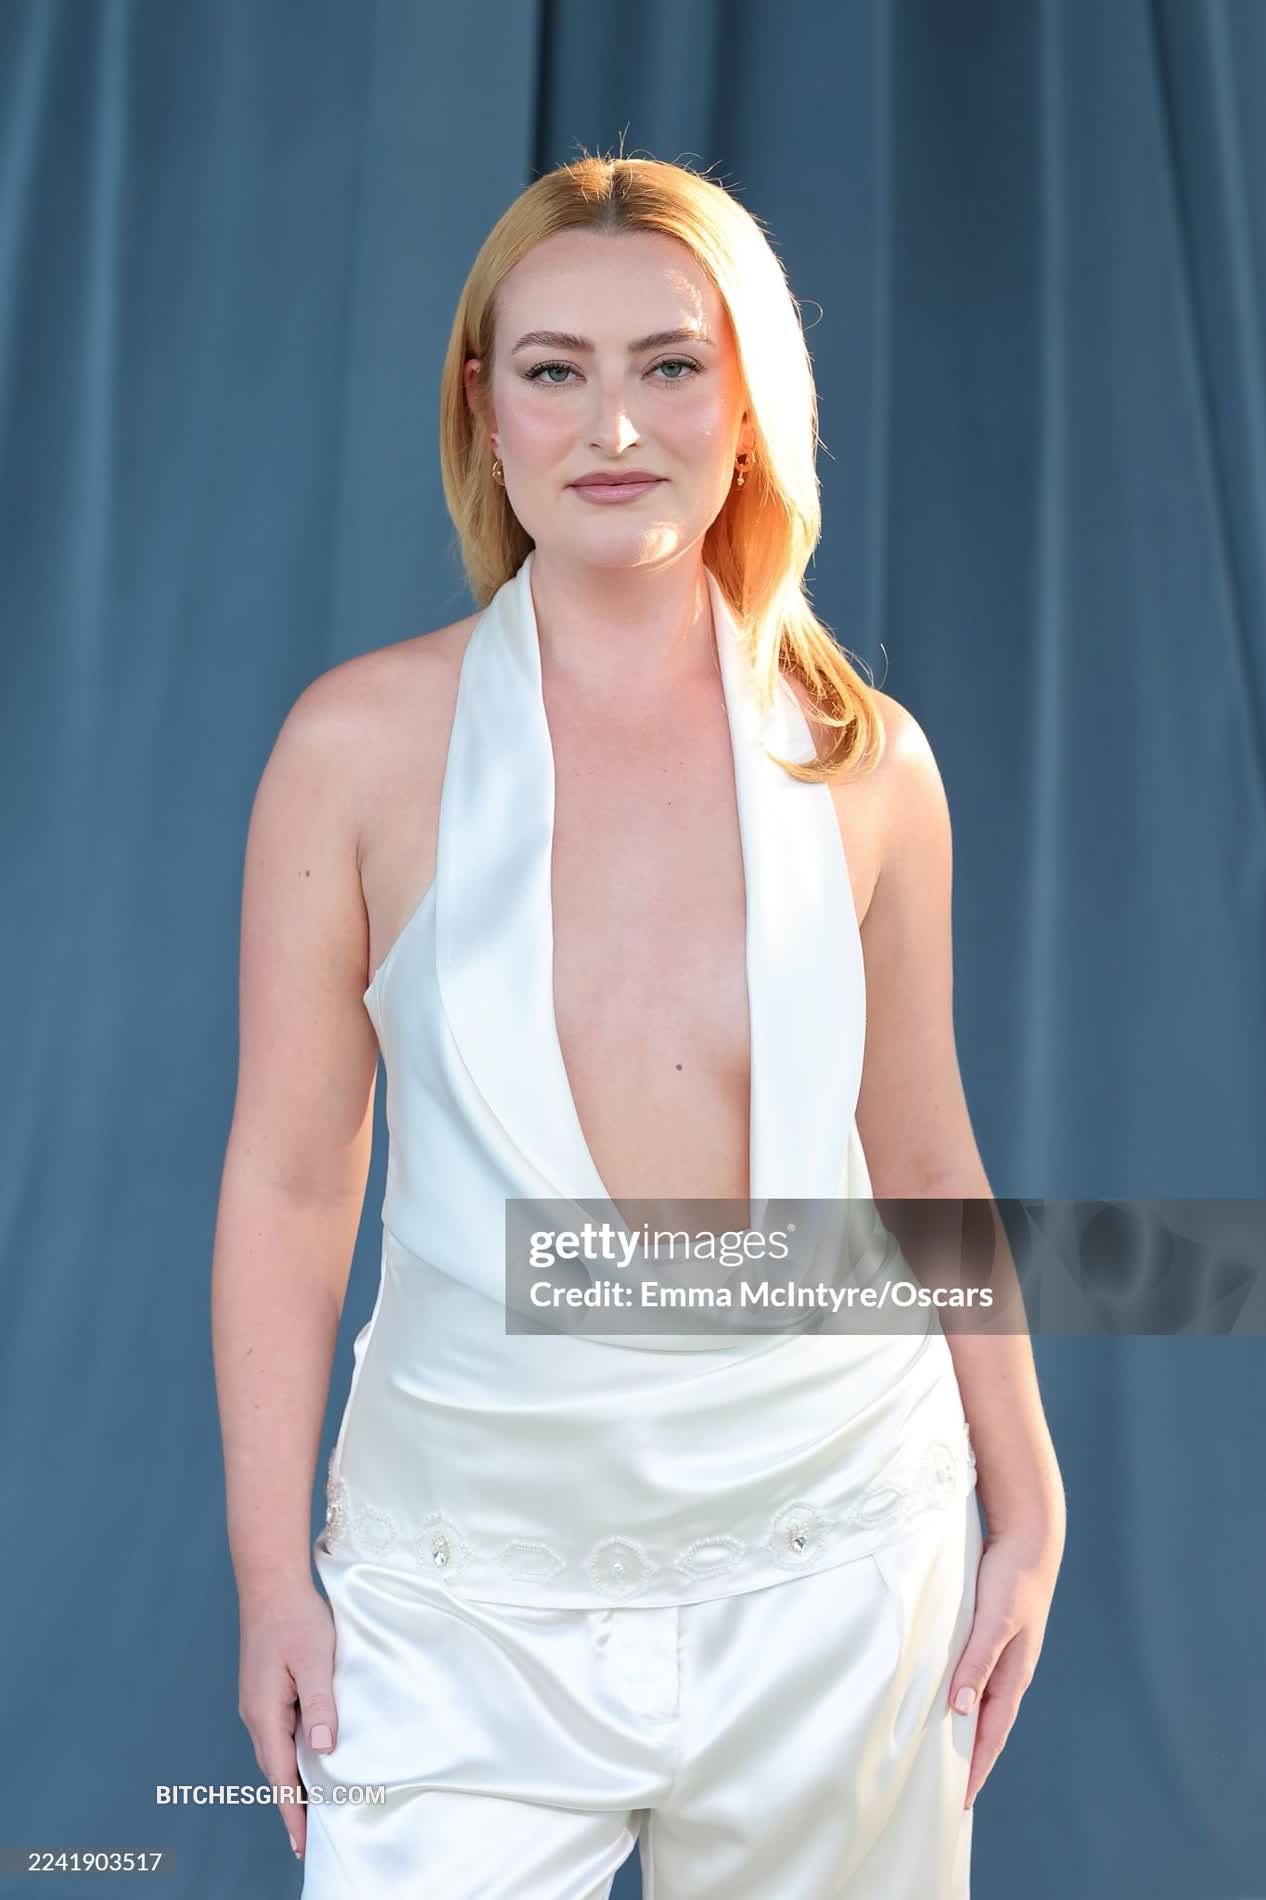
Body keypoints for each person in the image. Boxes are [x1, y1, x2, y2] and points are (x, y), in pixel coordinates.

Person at [212, 152, 1065, 1898]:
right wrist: (269, 1575)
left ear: (746, 404)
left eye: (670, 364)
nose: (613, 424)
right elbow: (292, 1187)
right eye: (556, 369)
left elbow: (922, 1154)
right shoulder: (350, 753)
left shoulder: (868, 763)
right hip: (460, 1589)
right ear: (484, 407)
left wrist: (1028, 1501)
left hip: (840, 1564)